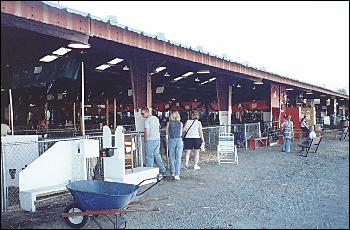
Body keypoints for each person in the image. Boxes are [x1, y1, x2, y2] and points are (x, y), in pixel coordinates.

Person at [142, 108, 166, 175]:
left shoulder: (147, 120)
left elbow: (146, 131)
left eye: (142, 113)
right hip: (157, 139)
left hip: (150, 140)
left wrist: (145, 139)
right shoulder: (156, 118)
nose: (142, 115)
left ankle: (149, 171)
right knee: (157, 154)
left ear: (147, 112)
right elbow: (159, 127)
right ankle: (162, 169)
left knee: (149, 156)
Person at [166, 111, 184, 180]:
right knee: (178, 158)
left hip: (172, 140)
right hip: (179, 140)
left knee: (171, 157)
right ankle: (177, 174)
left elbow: (167, 132)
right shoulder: (181, 123)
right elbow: (180, 134)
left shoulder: (169, 123)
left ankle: (172, 172)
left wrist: (167, 138)